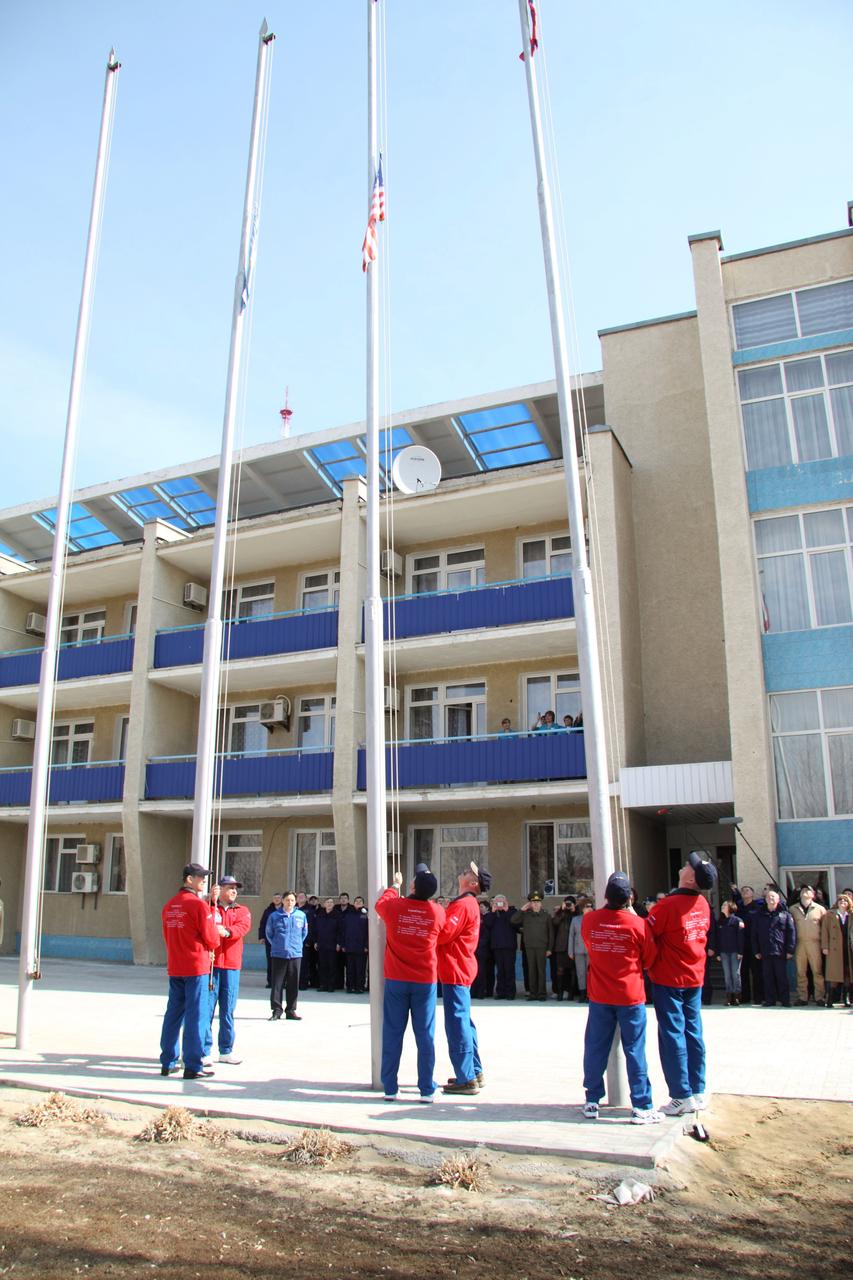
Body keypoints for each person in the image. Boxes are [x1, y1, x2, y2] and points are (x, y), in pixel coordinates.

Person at [581, 871, 662, 1125]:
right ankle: (641, 1105)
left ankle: (592, 1100)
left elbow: (589, 947)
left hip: (600, 995)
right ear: (629, 898)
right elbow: (649, 959)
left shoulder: (590, 921)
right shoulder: (639, 925)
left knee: (596, 1047)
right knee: (635, 1050)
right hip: (630, 996)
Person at [647, 851, 717, 1116]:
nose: (685, 866)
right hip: (694, 977)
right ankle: (697, 1090)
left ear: (691, 878)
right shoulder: (702, 904)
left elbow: (647, 934)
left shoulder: (668, 905)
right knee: (693, 1031)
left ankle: (681, 1094)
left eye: (689, 866)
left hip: (669, 979)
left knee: (672, 1034)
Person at [374, 865, 446, 1102]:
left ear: (412, 885)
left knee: (393, 1032)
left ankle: (390, 1087)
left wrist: (395, 886)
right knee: (425, 1035)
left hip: (396, 979)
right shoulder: (437, 912)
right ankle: (426, 1088)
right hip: (424, 980)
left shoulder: (396, 906)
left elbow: (379, 904)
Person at [159, 862, 223, 1081]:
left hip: (176, 965)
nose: (203, 880)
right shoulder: (197, 906)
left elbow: (167, 935)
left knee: (173, 1013)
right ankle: (193, 1065)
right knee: (196, 1014)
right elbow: (213, 938)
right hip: (195, 966)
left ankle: (168, 1061)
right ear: (189, 879)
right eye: (200, 877)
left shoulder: (169, 906)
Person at [438, 861, 491, 1095]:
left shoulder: (463, 905)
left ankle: (466, 1077)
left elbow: (444, 934)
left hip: (455, 968)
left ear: (473, 883)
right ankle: (474, 1071)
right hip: (460, 967)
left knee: (457, 1023)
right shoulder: (467, 904)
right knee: (465, 1022)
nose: (465, 870)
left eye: (470, 872)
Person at [204, 875, 252, 1064]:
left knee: (227, 1010)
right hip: (211, 965)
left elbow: (241, 928)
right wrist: (209, 900)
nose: (234, 891)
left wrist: (227, 931)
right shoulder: (210, 907)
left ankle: (226, 1050)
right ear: (220, 889)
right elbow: (201, 920)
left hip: (231, 966)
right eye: (230, 887)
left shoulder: (242, 911)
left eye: (235, 888)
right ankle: (203, 1050)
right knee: (206, 1009)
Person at [265, 891, 308, 1020]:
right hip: (279, 953)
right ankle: (276, 1010)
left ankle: (291, 1010)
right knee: (277, 984)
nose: (290, 903)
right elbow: (269, 933)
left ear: (295, 902)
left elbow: (304, 933)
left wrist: (297, 945)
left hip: (295, 954)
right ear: (282, 901)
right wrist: (278, 945)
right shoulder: (274, 916)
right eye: (287, 900)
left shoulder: (301, 915)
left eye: (292, 900)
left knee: (293, 983)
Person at [751, 888, 795, 1007]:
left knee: (782, 977)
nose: (771, 899)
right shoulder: (759, 915)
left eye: (773, 897)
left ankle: (785, 1000)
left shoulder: (785, 914)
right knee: (767, 977)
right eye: (769, 897)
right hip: (765, 951)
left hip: (780, 951)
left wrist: (790, 950)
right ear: (765, 900)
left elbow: (791, 933)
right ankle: (770, 1000)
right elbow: (754, 934)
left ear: (778, 899)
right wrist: (756, 950)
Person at [790, 885, 826, 1006]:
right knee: (801, 972)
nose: (805, 891)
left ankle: (820, 997)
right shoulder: (792, 909)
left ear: (813, 895)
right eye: (803, 890)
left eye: (808, 890)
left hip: (815, 943)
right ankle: (802, 997)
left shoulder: (820, 909)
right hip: (799, 943)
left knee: (817, 971)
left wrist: (825, 945)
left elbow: (825, 929)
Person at [512, 892, 549, 1000]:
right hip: (529, 947)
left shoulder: (546, 915)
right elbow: (513, 921)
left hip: (542, 946)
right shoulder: (526, 915)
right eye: (533, 902)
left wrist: (550, 948)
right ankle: (533, 993)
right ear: (530, 904)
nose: (536, 904)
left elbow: (550, 933)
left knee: (541, 971)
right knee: (531, 971)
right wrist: (522, 910)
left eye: (538, 902)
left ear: (541, 904)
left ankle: (542, 993)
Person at [731, 884, 763, 1005]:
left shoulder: (757, 907)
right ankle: (745, 996)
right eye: (743, 890)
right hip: (741, 944)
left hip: (753, 944)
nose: (745, 892)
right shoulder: (738, 907)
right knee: (742, 972)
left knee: (756, 972)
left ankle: (758, 997)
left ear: (752, 894)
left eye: (747, 890)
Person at [821, 893, 851, 1007]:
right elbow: (825, 931)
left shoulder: (851, 915)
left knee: (848, 972)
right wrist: (825, 946)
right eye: (840, 901)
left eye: (845, 901)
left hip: (847, 947)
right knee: (834, 974)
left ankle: (846, 998)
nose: (843, 903)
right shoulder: (830, 914)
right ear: (837, 903)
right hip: (834, 948)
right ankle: (830, 999)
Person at [488, 894, 519, 999]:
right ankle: (500, 992)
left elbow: (514, 923)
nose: (500, 904)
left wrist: (506, 910)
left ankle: (510, 993)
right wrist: (493, 911)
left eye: (502, 902)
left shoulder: (512, 912)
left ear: (506, 902)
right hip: (497, 946)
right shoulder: (492, 914)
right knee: (500, 971)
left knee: (509, 970)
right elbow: (488, 924)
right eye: (498, 902)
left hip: (509, 946)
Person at [716, 900, 746, 1005]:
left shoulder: (737, 920)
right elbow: (718, 938)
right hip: (724, 952)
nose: (722, 906)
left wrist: (740, 951)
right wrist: (718, 953)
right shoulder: (720, 922)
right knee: (727, 975)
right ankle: (729, 996)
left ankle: (737, 996)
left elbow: (740, 937)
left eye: (724, 905)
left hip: (735, 951)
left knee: (735, 974)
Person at [341, 895, 369, 993]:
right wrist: (343, 944)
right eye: (356, 901)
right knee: (350, 968)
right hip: (349, 945)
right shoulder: (348, 914)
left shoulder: (366, 914)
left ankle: (359, 987)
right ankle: (350, 986)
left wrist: (366, 945)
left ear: (363, 903)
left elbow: (368, 931)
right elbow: (343, 930)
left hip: (361, 947)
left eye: (360, 901)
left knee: (360, 968)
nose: (358, 902)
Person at [548, 897, 575, 1000]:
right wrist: (562, 910)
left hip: (572, 947)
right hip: (561, 947)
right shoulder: (560, 913)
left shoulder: (575, 913)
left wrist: (573, 910)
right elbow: (555, 922)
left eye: (570, 903)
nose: (568, 905)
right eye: (566, 903)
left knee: (572, 971)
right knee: (560, 971)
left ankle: (571, 993)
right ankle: (559, 993)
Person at [314, 897, 342, 992]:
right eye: (327, 902)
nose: (329, 904)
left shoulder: (337, 915)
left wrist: (339, 943)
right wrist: (316, 941)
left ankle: (331, 985)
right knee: (322, 965)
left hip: (333, 945)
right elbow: (316, 929)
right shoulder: (320, 915)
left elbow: (340, 930)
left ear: (333, 905)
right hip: (321, 944)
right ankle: (323, 984)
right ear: (324, 904)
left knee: (332, 966)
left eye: (331, 902)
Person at [568, 896, 592, 1000]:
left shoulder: (594, 919)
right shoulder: (575, 920)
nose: (590, 908)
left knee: (590, 973)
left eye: (591, 906)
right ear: (582, 908)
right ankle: (582, 994)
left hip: (590, 951)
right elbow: (571, 936)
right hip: (578, 950)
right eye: (587, 906)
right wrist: (570, 951)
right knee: (580, 973)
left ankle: (589, 994)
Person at [258, 892, 282, 988]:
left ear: (282, 899)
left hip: (281, 940)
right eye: (275, 898)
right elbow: (263, 924)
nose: (276, 899)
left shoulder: (284, 910)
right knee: (271, 961)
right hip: (270, 940)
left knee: (281, 962)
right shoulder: (268, 911)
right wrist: (261, 937)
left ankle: (281, 982)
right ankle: (271, 982)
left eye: (278, 898)